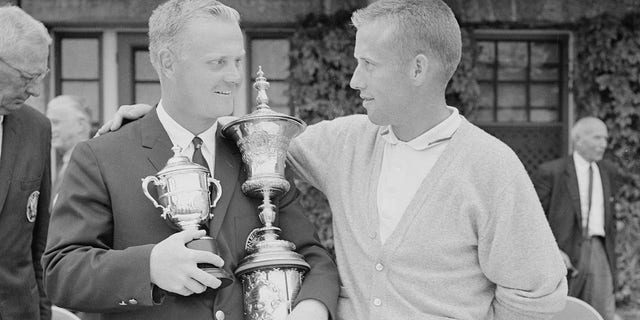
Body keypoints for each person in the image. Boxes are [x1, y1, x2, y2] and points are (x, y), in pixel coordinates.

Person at [103, 0, 568, 318]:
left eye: (368, 64)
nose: (352, 80)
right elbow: (259, 143)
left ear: (418, 69)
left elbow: (537, 297)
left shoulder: (491, 167)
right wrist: (165, 120)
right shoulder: (346, 142)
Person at [41, 1, 339, 320]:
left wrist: (313, 307)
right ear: (168, 63)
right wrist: (150, 267)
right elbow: (61, 273)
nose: (236, 76)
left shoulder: (256, 150)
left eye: (237, 61)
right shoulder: (102, 156)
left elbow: (313, 256)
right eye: (217, 62)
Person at [532, 117, 621, 320]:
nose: (603, 144)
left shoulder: (609, 171)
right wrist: (553, 250)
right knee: (564, 311)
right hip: (563, 251)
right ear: (578, 139)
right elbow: (534, 219)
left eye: (605, 138)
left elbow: (611, 217)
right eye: (597, 137)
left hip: (599, 249)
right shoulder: (552, 172)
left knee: (602, 311)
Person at [0, 5, 52, 320]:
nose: (34, 90)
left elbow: (38, 247)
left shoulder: (37, 128)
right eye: (26, 77)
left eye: (41, 76)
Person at [46, 95, 92, 205]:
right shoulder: (64, 163)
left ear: (80, 125)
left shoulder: (89, 165)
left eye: (56, 122)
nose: (50, 128)